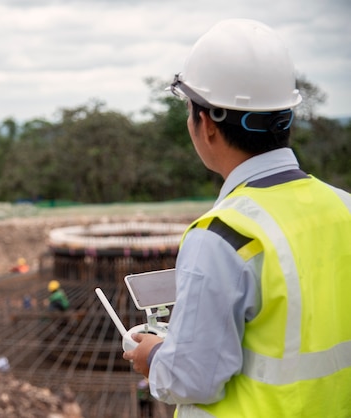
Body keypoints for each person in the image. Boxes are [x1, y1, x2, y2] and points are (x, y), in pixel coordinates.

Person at [123, 19, 351, 417]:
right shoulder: (343, 207)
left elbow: (191, 378)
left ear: (206, 125)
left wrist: (155, 356)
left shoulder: (223, 236)